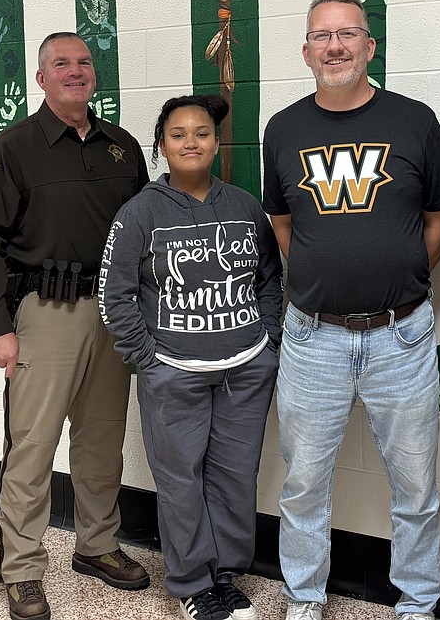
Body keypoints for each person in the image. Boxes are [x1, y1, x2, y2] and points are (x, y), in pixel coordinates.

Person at [262, 0, 440, 620]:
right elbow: (283, 222)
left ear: (370, 47)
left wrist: (396, 273)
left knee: (415, 487)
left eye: (348, 34)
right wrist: (329, 274)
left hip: (401, 336)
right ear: (306, 51)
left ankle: (418, 603)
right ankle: (304, 598)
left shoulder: (414, 121)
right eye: (323, 36)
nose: (336, 46)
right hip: (312, 336)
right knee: (302, 486)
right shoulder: (283, 129)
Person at [0, 32, 150, 620]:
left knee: (101, 441)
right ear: (40, 79)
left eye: (84, 63)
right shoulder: (13, 147)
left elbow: (145, 235)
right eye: (61, 64)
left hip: (113, 312)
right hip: (44, 313)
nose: (76, 71)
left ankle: (97, 545)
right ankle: (20, 566)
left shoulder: (123, 147)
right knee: (33, 446)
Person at [99, 94, 283, 620]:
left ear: (216, 142)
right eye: (177, 134)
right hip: (173, 371)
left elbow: (270, 278)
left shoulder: (245, 205)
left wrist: (267, 340)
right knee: (180, 480)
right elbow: (114, 293)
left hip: (245, 368)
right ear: (161, 145)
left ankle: (223, 575)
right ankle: (192, 584)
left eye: (201, 133)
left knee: (234, 475)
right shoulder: (140, 212)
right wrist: (149, 359)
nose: (191, 142)